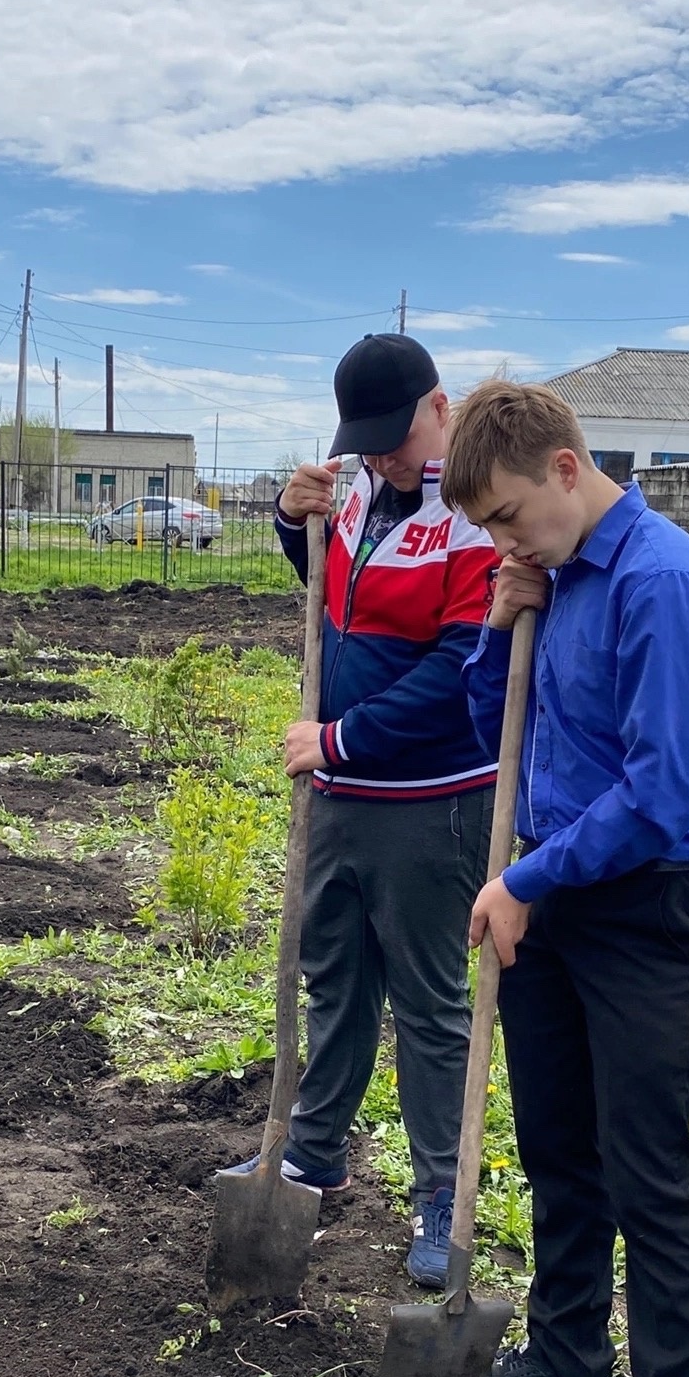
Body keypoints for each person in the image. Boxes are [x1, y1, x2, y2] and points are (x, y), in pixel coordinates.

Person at [441, 378, 689, 1377]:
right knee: (560, 1149)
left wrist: (528, 879)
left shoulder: (661, 584)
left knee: (650, 1176)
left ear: (566, 469)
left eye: (511, 518)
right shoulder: (551, 580)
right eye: (491, 531)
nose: (506, 542)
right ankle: (570, 1359)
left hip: (641, 908)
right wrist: (497, 622)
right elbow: (495, 730)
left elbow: (668, 795)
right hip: (552, 895)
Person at [222, 334, 499, 1285]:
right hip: (337, 800)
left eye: (395, 436)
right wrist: (288, 521)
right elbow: (333, 607)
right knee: (334, 981)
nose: (379, 455)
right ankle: (311, 1153)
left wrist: (342, 739)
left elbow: (459, 668)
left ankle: (439, 1197)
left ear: (441, 408)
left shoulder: (474, 517)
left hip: (430, 801)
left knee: (428, 1007)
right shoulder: (351, 493)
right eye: (365, 440)